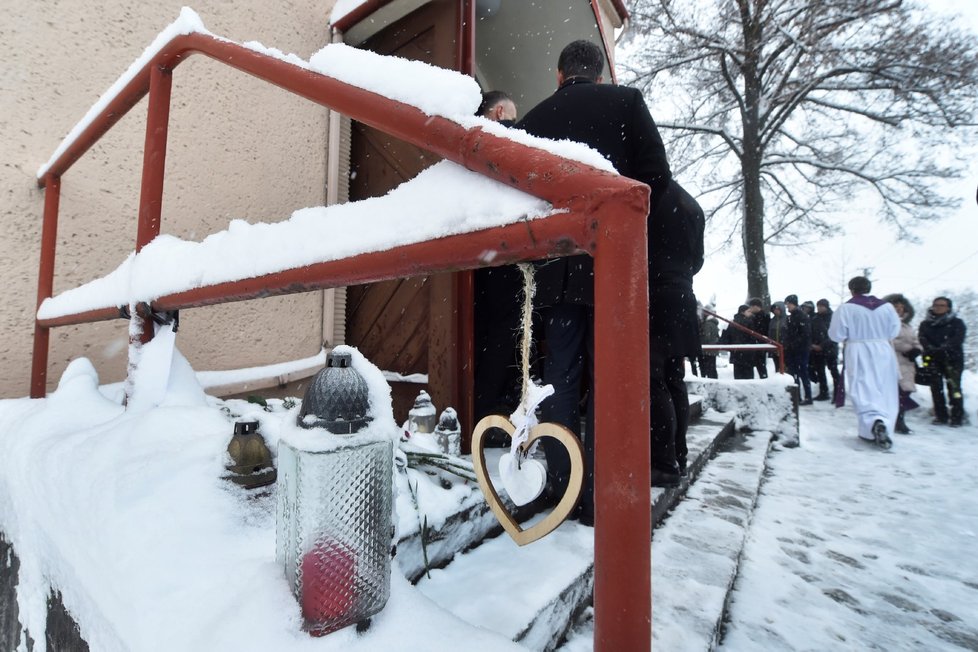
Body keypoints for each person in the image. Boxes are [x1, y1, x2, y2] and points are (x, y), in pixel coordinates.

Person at [518, 40, 703, 511]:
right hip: (613, 267)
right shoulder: (626, 103)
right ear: (599, 75)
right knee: (611, 376)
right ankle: (604, 486)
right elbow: (654, 177)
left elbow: (520, 192)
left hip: (558, 268)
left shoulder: (534, 120)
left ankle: (563, 484)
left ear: (559, 75)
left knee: (559, 375)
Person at [473, 91, 524, 432]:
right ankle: (493, 413)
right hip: (509, 254)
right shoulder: (510, 138)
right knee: (506, 337)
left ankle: (487, 411)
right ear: (501, 112)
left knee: (493, 337)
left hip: (482, 258)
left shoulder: (470, 146)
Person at [828, 276, 901, 449]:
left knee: (863, 387)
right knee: (884, 389)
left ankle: (873, 423)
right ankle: (885, 425)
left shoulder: (846, 308)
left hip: (858, 349)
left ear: (852, 289)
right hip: (883, 350)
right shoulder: (887, 307)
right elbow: (894, 331)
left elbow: (836, 334)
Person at [918, 296, 968, 426]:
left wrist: (943, 348)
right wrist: (930, 349)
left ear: (948, 308)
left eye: (942, 305)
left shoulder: (957, 322)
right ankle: (941, 416)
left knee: (954, 388)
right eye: (936, 305)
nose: (938, 307)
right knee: (936, 388)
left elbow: (958, 339)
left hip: (953, 360)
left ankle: (957, 416)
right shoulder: (926, 323)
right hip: (932, 359)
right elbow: (922, 338)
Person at [883, 293, 921, 434]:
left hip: (907, 363)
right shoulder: (885, 324)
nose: (899, 309)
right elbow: (888, 341)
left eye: (901, 307)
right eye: (895, 306)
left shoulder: (907, 326)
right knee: (893, 393)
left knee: (905, 393)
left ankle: (899, 419)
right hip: (892, 361)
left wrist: (917, 349)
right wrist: (906, 348)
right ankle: (892, 420)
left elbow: (914, 340)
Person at [784, 295, 813, 405]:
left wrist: (793, 343)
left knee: (802, 373)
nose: (787, 306)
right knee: (794, 374)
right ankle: (797, 396)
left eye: (789, 304)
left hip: (800, 350)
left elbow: (805, 334)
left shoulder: (802, 317)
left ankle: (807, 396)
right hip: (793, 349)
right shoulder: (791, 317)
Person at [809, 298, 839, 401]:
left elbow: (834, 334)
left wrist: (822, 345)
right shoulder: (815, 318)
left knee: (834, 371)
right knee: (820, 372)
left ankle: (838, 393)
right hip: (817, 349)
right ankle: (823, 392)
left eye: (821, 306)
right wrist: (813, 344)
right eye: (818, 306)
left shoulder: (833, 317)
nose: (819, 308)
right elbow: (811, 332)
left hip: (830, 348)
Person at [720, 304, 756, 379]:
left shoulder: (732, 323)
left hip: (736, 353)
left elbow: (727, 337)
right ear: (742, 312)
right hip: (747, 353)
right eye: (748, 311)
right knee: (748, 378)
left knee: (738, 376)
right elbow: (753, 337)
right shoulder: (749, 322)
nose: (751, 313)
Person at [748, 298, 770, 378]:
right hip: (757, 343)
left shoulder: (764, 317)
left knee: (760, 364)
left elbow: (763, 329)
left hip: (760, 343)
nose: (750, 309)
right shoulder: (755, 317)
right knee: (759, 364)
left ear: (756, 306)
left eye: (751, 306)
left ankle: (764, 378)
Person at [698, 305, 720, 379]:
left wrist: (699, 340)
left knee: (706, 370)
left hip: (707, 350)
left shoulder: (707, 324)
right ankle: (714, 382)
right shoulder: (714, 324)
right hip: (712, 350)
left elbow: (706, 337)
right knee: (712, 370)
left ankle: (708, 384)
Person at [768, 301, 787, 370]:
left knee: (786, 367)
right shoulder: (772, 321)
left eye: (777, 309)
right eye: (774, 309)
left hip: (785, 348)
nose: (776, 311)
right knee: (777, 367)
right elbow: (770, 333)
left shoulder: (787, 319)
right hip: (775, 348)